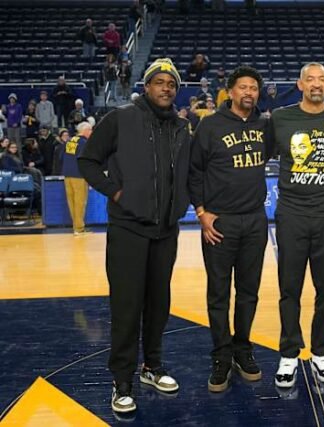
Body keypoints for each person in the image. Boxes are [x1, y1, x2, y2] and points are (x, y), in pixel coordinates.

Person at [78, 58, 190, 414]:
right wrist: (116, 192)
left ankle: (152, 367)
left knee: (158, 305)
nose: (166, 89)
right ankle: (122, 380)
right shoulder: (121, 118)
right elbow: (88, 160)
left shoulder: (182, 127)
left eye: (171, 84)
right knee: (127, 307)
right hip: (128, 228)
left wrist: (181, 203)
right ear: (146, 85)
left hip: (165, 230)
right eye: (159, 82)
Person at [188, 66, 273, 393]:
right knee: (219, 292)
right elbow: (194, 172)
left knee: (249, 291)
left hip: (254, 220)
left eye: (254, 88)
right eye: (243, 87)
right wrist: (201, 212)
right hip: (219, 221)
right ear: (231, 91)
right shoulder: (210, 125)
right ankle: (221, 355)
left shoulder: (264, 125)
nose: (249, 92)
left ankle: (242, 348)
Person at [271, 62, 324, 388]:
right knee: (289, 289)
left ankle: (321, 351)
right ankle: (289, 354)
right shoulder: (280, 118)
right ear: (300, 84)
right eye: (310, 79)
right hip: (291, 215)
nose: (316, 84)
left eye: (322, 79)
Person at [63, 122, 92, 235]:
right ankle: (79, 228)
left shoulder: (70, 140)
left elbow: (64, 157)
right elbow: (85, 160)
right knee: (80, 202)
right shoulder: (84, 143)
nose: (91, 132)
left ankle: (76, 227)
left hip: (67, 175)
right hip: (78, 175)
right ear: (85, 131)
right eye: (90, 130)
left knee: (72, 202)